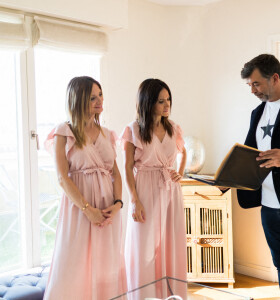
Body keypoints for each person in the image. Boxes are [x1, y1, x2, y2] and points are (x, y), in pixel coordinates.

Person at [43, 76, 126, 300]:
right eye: (92, 97)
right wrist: (88, 209)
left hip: (108, 210)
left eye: (100, 95)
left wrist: (118, 203)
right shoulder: (65, 131)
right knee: (73, 262)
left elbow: (116, 173)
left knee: (107, 265)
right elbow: (62, 178)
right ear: (78, 100)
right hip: (79, 209)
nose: (99, 101)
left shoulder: (107, 134)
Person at [237, 54, 280, 300]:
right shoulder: (257, 113)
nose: (252, 90)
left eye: (256, 84)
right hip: (268, 207)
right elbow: (249, 154)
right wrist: (228, 177)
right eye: (249, 85)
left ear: (274, 77)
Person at [120, 78, 187, 299]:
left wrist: (181, 171)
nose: (167, 105)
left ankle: (171, 294)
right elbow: (128, 168)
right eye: (161, 101)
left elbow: (183, 152)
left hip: (170, 190)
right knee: (144, 247)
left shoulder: (173, 127)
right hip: (145, 189)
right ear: (148, 102)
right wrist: (134, 200)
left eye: (168, 100)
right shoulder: (133, 130)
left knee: (171, 242)